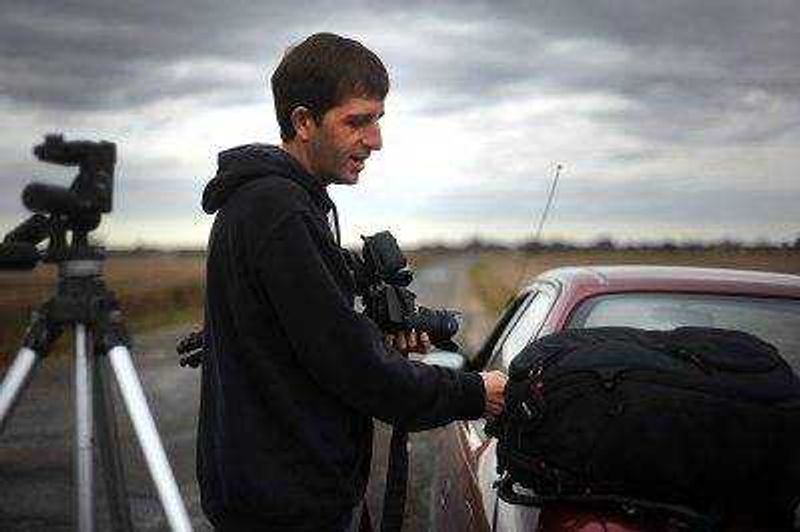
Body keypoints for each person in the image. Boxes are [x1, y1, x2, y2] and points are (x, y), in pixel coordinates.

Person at [196, 32, 507, 531]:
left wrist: (371, 335)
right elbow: (351, 367)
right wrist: (474, 392)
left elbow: (301, 339)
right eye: (357, 122)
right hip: (288, 506)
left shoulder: (275, 204)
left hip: (281, 493)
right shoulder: (280, 211)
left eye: (378, 120)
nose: (375, 141)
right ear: (303, 122)